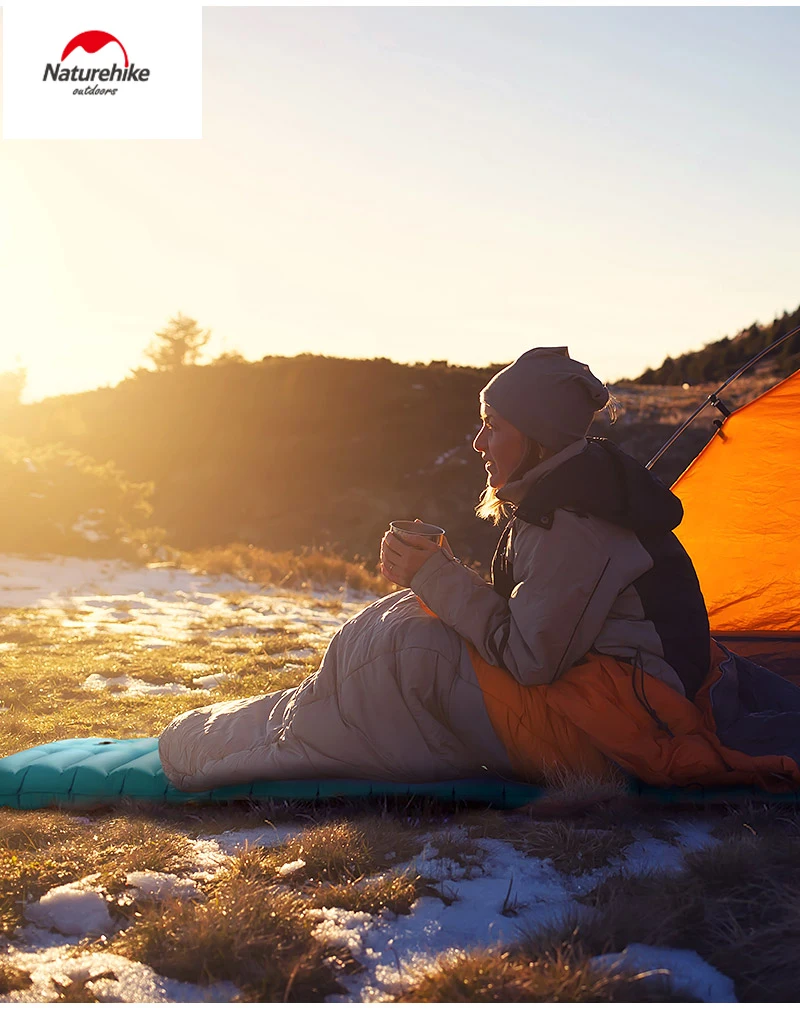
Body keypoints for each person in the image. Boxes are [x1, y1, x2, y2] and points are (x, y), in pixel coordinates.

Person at [159, 348, 800, 793]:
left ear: (537, 437)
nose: (479, 442)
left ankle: (220, 749)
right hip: (624, 694)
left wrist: (436, 575)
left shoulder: (571, 521)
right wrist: (435, 578)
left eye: (493, 426)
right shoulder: (573, 494)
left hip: (618, 727)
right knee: (401, 625)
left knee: (406, 648)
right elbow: (541, 621)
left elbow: (530, 660)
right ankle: (260, 728)